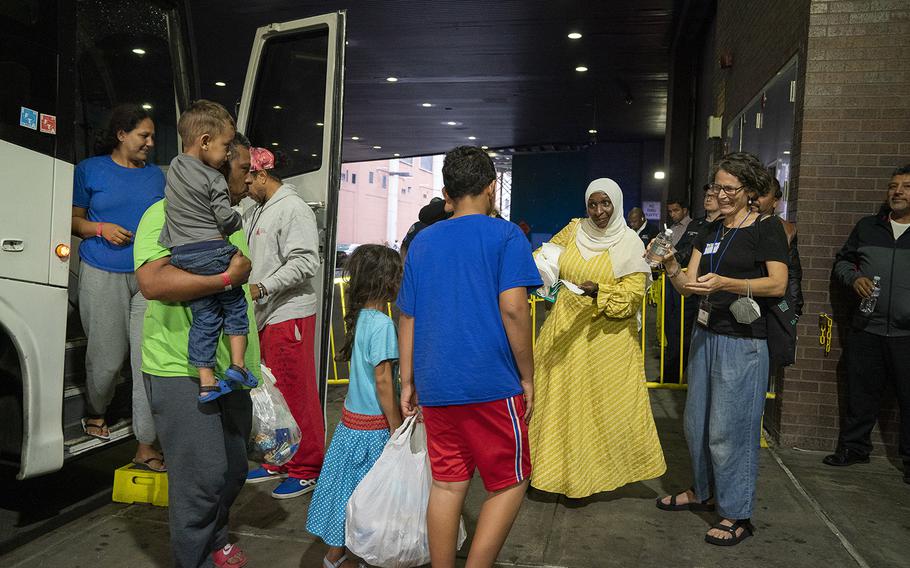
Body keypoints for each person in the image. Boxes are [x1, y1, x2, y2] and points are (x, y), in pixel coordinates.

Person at [397, 146, 541, 568]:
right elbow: (514, 308)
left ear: (447, 192)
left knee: (446, 485)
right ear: (491, 188)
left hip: (437, 384)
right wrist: (528, 376)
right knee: (511, 481)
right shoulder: (507, 236)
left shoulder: (423, 242)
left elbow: (408, 315)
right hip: (492, 382)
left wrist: (408, 380)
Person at [134, 126, 260, 568]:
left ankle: (215, 537)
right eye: (242, 167)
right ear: (217, 166)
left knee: (234, 470)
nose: (249, 178)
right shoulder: (165, 213)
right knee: (202, 480)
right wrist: (226, 278)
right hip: (179, 372)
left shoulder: (226, 220)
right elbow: (153, 282)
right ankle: (196, 558)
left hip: (228, 375)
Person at [653, 152, 789, 546]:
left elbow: (777, 284)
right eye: (717, 187)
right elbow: (689, 285)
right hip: (705, 335)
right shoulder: (712, 230)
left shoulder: (766, 228)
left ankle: (737, 513)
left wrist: (727, 283)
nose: (722, 195)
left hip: (743, 343)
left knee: (729, 432)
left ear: (749, 191)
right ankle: (702, 491)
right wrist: (670, 265)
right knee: (697, 426)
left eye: (730, 188)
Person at [529, 179, 665, 498]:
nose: (599, 211)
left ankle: (589, 479)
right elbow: (546, 256)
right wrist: (542, 270)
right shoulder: (574, 229)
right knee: (557, 406)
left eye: (605, 204)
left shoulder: (630, 243)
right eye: (593, 204)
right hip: (564, 334)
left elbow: (632, 298)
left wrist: (599, 291)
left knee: (599, 409)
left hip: (608, 341)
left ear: (616, 203)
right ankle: (549, 475)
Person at [71, 103, 166, 471]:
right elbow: (72, 220)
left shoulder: (156, 177)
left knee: (147, 363)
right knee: (107, 362)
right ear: (121, 134)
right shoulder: (89, 170)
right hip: (101, 271)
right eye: (144, 135)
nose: (150, 142)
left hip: (148, 277)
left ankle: (146, 443)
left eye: (152, 136)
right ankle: (97, 410)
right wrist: (100, 229)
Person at [306, 244, 403, 568]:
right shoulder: (383, 325)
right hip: (373, 429)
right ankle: (356, 555)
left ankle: (337, 552)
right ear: (385, 281)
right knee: (369, 496)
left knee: (344, 492)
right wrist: (395, 425)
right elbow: (384, 381)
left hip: (350, 424)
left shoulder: (363, 318)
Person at [159, 100, 257, 403]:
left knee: (205, 317)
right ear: (204, 142)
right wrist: (235, 220)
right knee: (235, 305)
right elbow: (222, 215)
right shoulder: (214, 178)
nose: (227, 154)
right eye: (226, 146)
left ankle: (206, 381)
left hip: (183, 256)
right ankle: (238, 366)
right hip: (212, 250)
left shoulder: (174, 167)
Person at [241, 147, 325, 499]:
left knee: (296, 391)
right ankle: (280, 458)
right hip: (267, 311)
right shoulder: (259, 209)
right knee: (274, 392)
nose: (244, 183)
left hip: (287, 312)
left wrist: (263, 287)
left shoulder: (292, 208)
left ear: (263, 175)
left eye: (248, 177)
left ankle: (307, 467)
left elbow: (307, 262)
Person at [824, 165, 910, 485]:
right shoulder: (868, 227)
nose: (897, 191)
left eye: (906, 186)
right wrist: (855, 277)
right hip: (867, 327)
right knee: (860, 394)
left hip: (907, 333)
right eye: (893, 186)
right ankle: (854, 448)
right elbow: (843, 261)